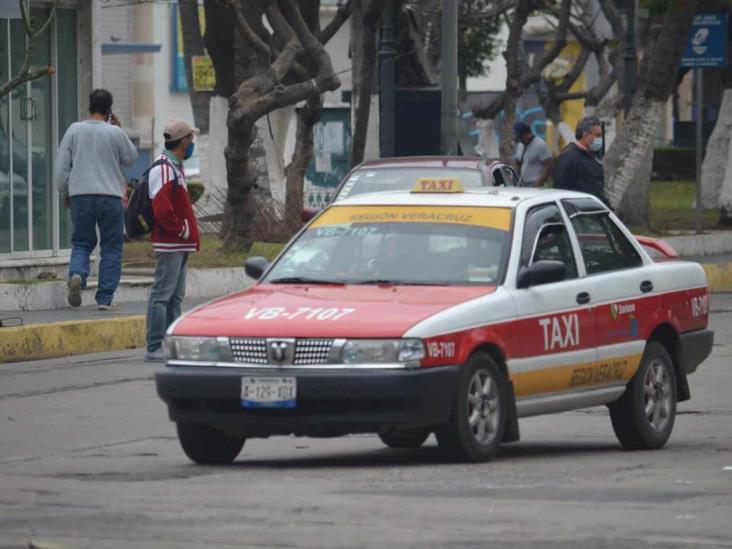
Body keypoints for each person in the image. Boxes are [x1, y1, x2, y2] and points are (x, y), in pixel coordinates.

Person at [55, 89, 138, 309]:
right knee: (111, 248)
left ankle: (77, 276)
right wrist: (118, 129)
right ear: (109, 109)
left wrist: (65, 192)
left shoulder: (75, 130)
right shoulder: (114, 133)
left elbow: (62, 167)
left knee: (82, 242)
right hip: (110, 197)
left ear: (89, 107)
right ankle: (104, 298)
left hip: (80, 195)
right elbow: (130, 158)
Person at [144, 120, 200, 362]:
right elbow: (162, 209)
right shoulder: (164, 168)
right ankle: (154, 346)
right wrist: (181, 230)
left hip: (179, 243)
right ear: (185, 141)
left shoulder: (175, 167)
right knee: (162, 295)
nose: (192, 145)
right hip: (171, 243)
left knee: (175, 297)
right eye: (191, 140)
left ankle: (170, 344)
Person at [553, 116, 607, 202]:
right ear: (585, 135)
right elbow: (560, 189)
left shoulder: (592, 155)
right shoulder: (569, 157)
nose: (600, 139)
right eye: (598, 135)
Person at [512, 122, 552, 187]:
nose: (520, 140)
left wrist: (540, 182)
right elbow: (518, 163)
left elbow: (548, 165)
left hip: (535, 184)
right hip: (522, 183)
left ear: (527, 134)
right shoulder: (520, 145)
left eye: (521, 137)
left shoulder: (540, 145)